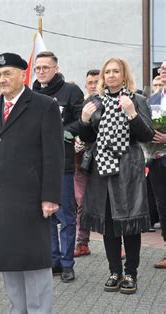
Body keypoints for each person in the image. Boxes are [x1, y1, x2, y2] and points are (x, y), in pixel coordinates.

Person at [0, 52, 64, 313]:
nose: (2, 79)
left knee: (34, 264)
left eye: (7, 73)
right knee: (9, 263)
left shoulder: (44, 105)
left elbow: (54, 154)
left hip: (31, 199)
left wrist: (51, 196)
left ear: (22, 75)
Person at [79, 57, 154, 294]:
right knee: (109, 222)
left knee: (130, 223)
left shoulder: (137, 100)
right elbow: (88, 138)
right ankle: (115, 271)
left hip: (129, 168)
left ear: (124, 75)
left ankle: (131, 273)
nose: (111, 75)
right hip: (102, 169)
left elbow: (147, 135)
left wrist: (132, 114)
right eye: (107, 72)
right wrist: (83, 120)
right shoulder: (94, 102)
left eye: (115, 71)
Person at [32, 51, 84, 282]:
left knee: (65, 215)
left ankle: (67, 263)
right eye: (38, 67)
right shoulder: (31, 93)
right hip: (37, 165)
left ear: (56, 68)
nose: (41, 71)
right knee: (46, 216)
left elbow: (83, 120)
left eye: (46, 67)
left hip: (62, 163)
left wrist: (65, 132)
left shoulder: (70, 91)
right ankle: (52, 261)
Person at [73, 69, 99, 257]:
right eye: (89, 82)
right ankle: (82, 243)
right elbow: (73, 126)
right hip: (81, 161)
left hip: (103, 161)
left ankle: (118, 243)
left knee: (109, 203)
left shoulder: (110, 103)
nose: (93, 85)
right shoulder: (80, 105)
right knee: (81, 202)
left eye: (96, 81)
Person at [147, 60, 166, 269]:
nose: (163, 71)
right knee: (163, 206)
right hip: (157, 160)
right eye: (161, 68)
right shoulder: (153, 100)